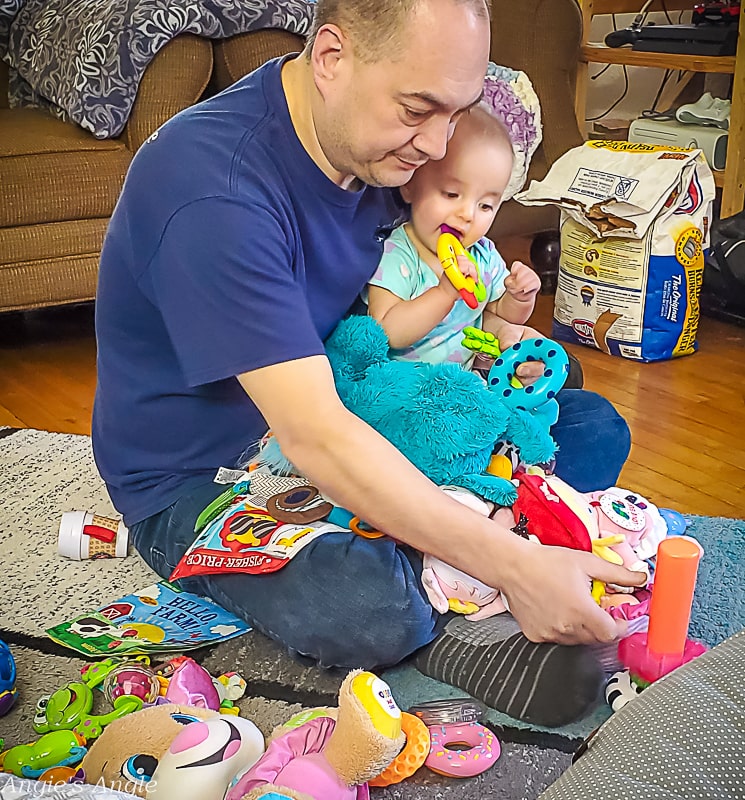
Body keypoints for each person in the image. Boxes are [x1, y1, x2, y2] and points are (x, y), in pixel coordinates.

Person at [93, 0, 641, 723]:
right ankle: (453, 601)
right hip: (211, 475)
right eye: (419, 109)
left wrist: (499, 332)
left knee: (588, 423)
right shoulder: (212, 191)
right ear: (330, 58)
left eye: (456, 111)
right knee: (364, 603)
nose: (436, 143)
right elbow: (312, 437)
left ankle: (453, 547)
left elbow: (423, 328)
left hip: (373, 409)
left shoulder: (375, 143)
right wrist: (514, 566)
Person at [366, 101, 542, 368]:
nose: (468, 215)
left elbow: (503, 312)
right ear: (409, 186)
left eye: (485, 205)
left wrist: (520, 297)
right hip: (408, 386)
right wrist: (445, 292)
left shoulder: (482, 255)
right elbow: (387, 332)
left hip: (464, 383)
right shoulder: (398, 253)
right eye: (451, 194)